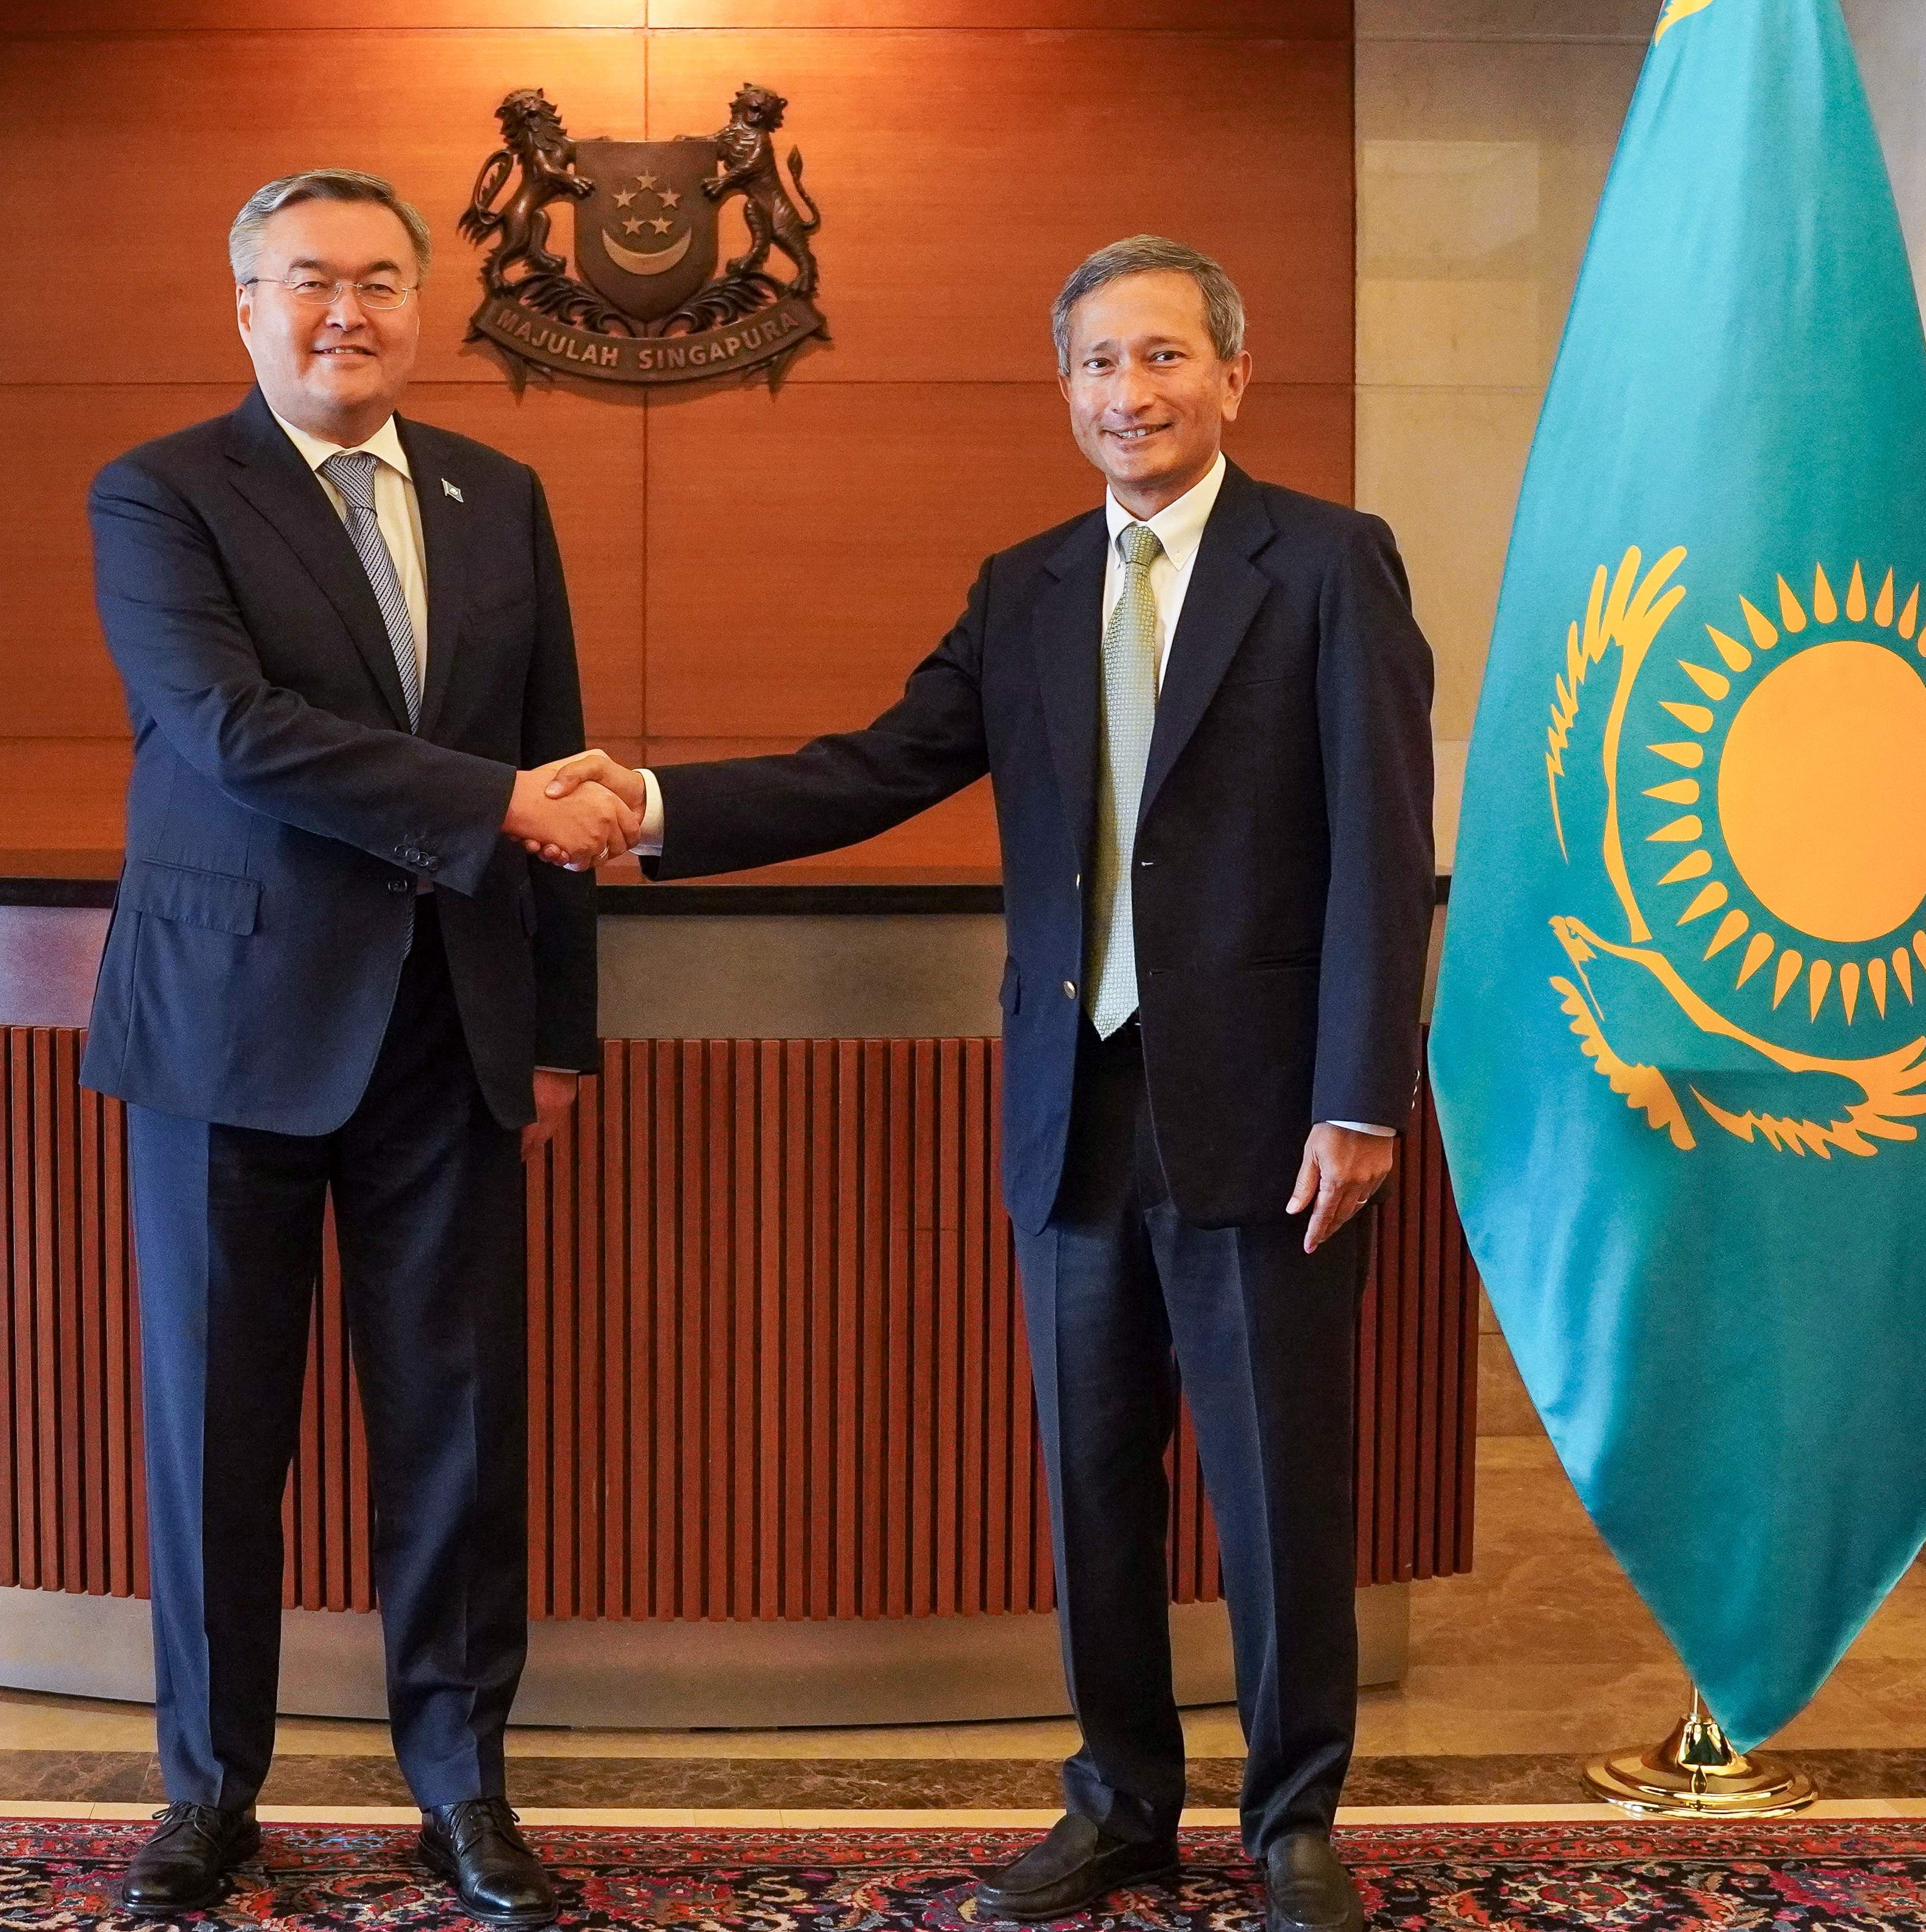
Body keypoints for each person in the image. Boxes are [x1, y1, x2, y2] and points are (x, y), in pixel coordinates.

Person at [545, 235, 1434, 1932]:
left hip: (1271, 1114)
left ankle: (1294, 1819)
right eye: (1098, 363)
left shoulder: (1328, 563)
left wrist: (1362, 1096)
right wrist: (650, 809)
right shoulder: (1026, 585)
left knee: (1277, 1487)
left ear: (1233, 376)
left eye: (1162, 357)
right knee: (1093, 1482)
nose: (1129, 393)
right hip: (1070, 1106)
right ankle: (1121, 1806)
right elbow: (878, 768)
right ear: (1065, 389)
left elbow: (1385, 849)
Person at [80, 168, 638, 1925]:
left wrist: (559, 1029)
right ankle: (208, 1794)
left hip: (451, 1035)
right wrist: (497, 803)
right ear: (245, 304)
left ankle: (464, 1792)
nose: (349, 310)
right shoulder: (162, 491)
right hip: (227, 1031)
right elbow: (229, 729)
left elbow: (554, 758)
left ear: (424, 303)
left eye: (383, 280)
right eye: (309, 279)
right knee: (216, 1435)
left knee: (458, 1437)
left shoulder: (498, 494)